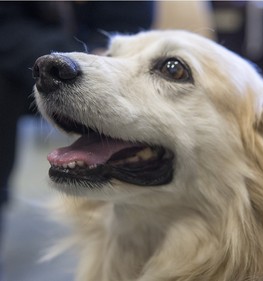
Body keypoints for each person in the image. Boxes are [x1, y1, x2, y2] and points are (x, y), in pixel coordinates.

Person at [0, 1, 154, 212]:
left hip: (104, 68)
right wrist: (71, 61)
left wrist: (95, 63)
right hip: (17, 63)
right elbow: (7, 26)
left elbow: (125, 31)